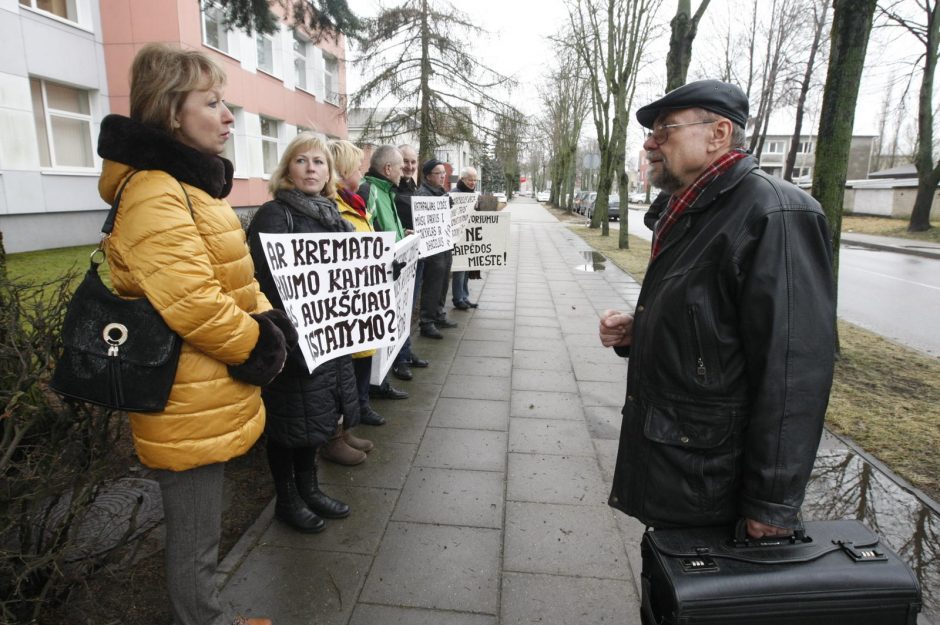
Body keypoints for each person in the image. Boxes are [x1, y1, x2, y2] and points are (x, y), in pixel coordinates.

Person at [598, 79, 836, 539]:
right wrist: (641, 330)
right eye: (650, 132)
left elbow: (794, 371)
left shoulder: (775, 214)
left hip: (717, 481)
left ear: (719, 133)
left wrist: (771, 504)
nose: (649, 142)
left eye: (665, 129)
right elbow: (712, 320)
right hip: (682, 464)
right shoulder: (692, 208)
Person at [96, 43, 278, 625]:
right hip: (185, 396)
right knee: (195, 533)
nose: (229, 116)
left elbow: (233, 279)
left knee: (204, 525)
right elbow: (192, 303)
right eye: (213, 102)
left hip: (205, 388)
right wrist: (259, 344)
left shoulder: (188, 187)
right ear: (173, 111)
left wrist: (273, 318)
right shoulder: (155, 190)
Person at [247, 133, 362, 529]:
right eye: (302, 161)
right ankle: (287, 498)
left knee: (317, 417)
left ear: (329, 172)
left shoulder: (332, 215)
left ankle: (309, 488)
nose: (311, 168)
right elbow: (267, 280)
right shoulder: (275, 215)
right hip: (294, 342)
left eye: (319, 162)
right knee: (288, 423)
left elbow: (357, 269)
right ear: (287, 170)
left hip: (330, 339)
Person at [329, 139, 390, 427]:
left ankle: (360, 407)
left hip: (363, 294)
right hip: (349, 298)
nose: (361, 174)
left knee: (363, 354)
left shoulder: (355, 204)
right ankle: (352, 414)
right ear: (342, 172)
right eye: (357, 168)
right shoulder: (336, 208)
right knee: (351, 361)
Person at [359, 145, 410, 399]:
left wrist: (403, 236)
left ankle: (381, 382)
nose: (403, 172)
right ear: (388, 169)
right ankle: (374, 386)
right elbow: (369, 233)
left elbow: (387, 228)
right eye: (400, 167)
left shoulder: (386, 191)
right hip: (380, 275)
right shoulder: (370, 192)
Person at [389, 143, 430, 381]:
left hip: (418, 255)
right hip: (400, 259)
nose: (409, 166)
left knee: (408, 307)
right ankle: (399, 359)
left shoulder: (413, 188)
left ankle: (405, 350)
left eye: (413, 162)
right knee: (399, 308)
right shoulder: (391, 190)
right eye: (405, 161)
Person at [415, 158, 458, 339]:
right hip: (432, 248)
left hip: (444, 244)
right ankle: (427, 322)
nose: (442, 176)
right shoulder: (423, 195)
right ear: (427, 176)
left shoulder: (441, 192)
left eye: (443, 173)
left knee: (442, 283)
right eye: (438, 173)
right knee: (432, 284)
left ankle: (438, 314)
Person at [449, 166, 480, 310]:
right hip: (458, 237)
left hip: (469, 235)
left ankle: (464, 296)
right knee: (460, 269)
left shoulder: (473, 193)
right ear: (462, 179)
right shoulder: (454, 193)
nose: (473, 182)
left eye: (475, 180)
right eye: (470, 179)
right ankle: (458, 298)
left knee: (466, 268)